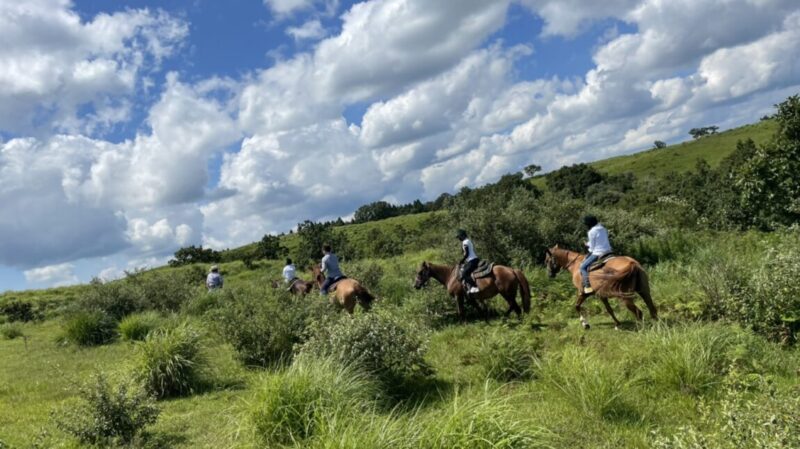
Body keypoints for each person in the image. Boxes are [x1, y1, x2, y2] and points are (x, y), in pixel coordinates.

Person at [580, 215, 612, 295]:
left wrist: (587, 245)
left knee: (582, 267)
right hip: (608, 251)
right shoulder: (603, 229)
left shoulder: (591, 232)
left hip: (598, 253)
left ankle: (587, 287)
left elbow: (592, 248)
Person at [457, 229, 480, 294]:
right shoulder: (468, 240)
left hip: (472, 260)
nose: (459, 238)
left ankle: (474, 287)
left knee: (464, 274)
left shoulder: (465, 242)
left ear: (462, 235)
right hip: (474, 259)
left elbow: (467, 253)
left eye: (459, 237)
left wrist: (461, 261)